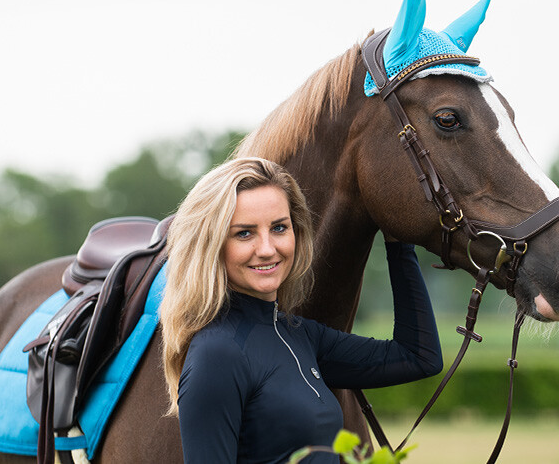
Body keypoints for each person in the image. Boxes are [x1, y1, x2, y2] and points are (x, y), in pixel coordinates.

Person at [158, 157, 443, 464]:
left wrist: (398, 242)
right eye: (244, 233)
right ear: (211, 244)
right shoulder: (217, 354)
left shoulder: (299, 335)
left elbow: (418, 357)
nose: (268, 248)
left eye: (279, 228)